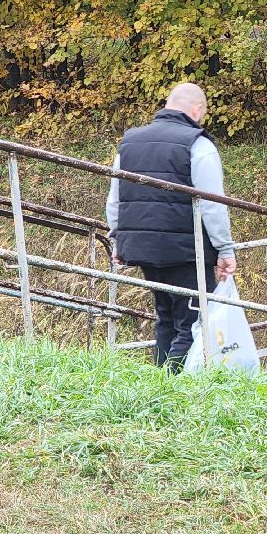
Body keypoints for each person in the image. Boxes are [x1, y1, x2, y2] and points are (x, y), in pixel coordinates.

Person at [104, 82, 237, 369]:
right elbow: (213, 204)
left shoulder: (129, 143)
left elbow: (115, 199)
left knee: (166, 320)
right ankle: (172, 389)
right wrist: (225, 249)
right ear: (197, 110)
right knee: (193, 324)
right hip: (187, 252)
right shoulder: (198, 143)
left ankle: (160, 383)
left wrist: (117, 240)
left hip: (143, 250)